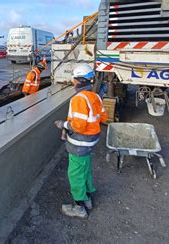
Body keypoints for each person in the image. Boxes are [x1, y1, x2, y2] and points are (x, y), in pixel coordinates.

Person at [54, 64, 107, 219]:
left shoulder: (78, 99)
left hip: (80, 144)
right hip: (91, 142)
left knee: (75, 173)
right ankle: (88, 197)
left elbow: (78, 125)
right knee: (85, 169)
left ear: (77, 81)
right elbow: (103, 118)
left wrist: (63, 124)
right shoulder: (95, 96)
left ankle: (80, 206)